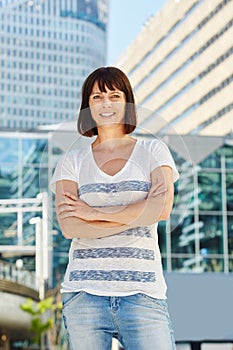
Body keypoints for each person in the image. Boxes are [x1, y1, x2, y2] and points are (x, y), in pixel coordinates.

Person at [50, 66, 179, 350]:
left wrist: (95, 213)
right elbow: (71, 226)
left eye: (114, 95)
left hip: (143, 292)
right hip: (84, 294)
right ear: (87, 106)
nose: (105, 104)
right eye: (96, 97)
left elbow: (162, 208)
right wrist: (139, 212)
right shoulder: (71, 162)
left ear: (127, 102)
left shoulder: (153, 152)